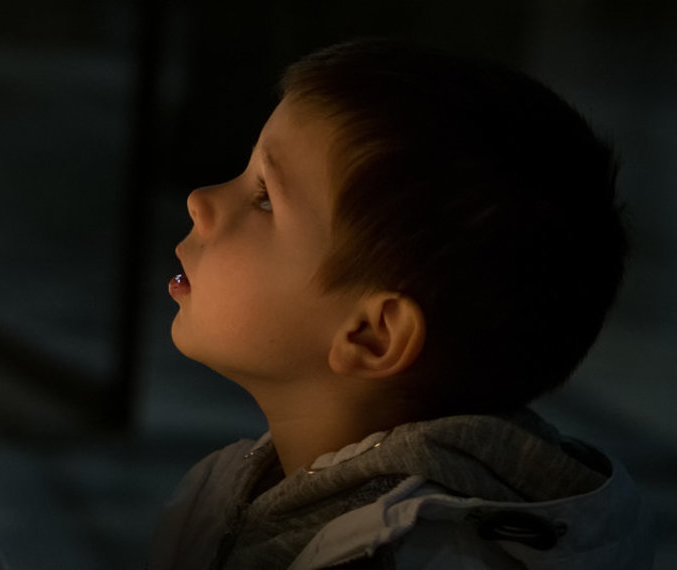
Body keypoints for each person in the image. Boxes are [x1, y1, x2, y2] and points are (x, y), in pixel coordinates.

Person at [150, 39, 654, 569]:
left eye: (266, 198)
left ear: (372, 334)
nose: (200, 200)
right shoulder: (241, 492)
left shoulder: (418, 555)